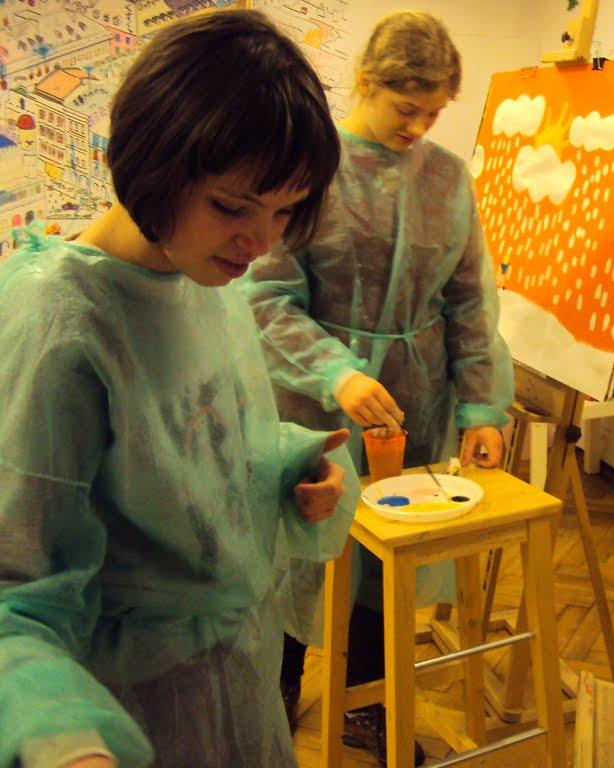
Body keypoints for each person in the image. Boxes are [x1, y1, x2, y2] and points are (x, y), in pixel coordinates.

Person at [0, 10, 357, 768]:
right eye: (232, 206)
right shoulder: (60, 326)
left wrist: (290, 467)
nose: (261, 241)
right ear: (154, 164)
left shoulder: (205, 279)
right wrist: (61, 737)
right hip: (125, 710)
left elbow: (190, 442)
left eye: (285, 210)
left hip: (236, 679)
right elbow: (14, 594)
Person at [239, 9, 514, 764]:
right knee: (300, 549)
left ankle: (367, 704)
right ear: (366, 82)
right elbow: (266, 298)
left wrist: (482, 407)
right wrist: (337, 372)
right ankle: (277, 689)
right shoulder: (310, 170)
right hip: (312, 408)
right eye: (406, 107)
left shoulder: (447, 179)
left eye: (434, 113)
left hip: (413, 404)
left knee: (385, 555)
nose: (417, 128)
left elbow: (469, 301)